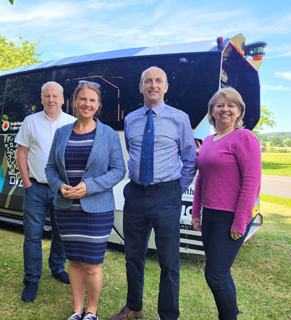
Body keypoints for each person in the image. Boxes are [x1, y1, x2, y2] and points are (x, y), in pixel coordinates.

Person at [110, 66, 197, 320]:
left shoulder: (179, 118)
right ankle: (134, 307)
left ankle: (168, 314)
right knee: (132, 255)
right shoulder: (131, 119)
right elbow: (132, 151)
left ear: (166, 87)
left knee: (169, 260)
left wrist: (174, 190)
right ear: (141, 87)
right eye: (148, 81)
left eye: (159, 81)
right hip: (136, 195)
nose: (153, 85)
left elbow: (190, 159)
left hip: (166, 194)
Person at [45, 81, 126, 320]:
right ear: (74, 102)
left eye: (92, 100)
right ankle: (77, 310)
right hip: (66, 208)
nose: (87, 104)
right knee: (74, 262)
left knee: (92, 264)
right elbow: (50, 168)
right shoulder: (61, 133)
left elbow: (118, 170)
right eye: (83, 99)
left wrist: (89, 187)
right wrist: (59, 186)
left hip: (97, 210)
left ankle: (92, 311)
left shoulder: (108, 134)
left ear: (98, 105)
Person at [191, 87, 261, 320]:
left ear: (239, 111)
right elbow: (201, 177)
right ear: (212, 111)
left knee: (215, 275)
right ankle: (232, 313)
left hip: (231, 217)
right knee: (221, 271)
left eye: (231, 105)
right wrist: (196, 212)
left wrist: (240, 222)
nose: (225, 109)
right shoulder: (210, 141)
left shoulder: (245, 137)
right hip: (210, 215)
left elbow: (252, 182)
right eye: (219, 105)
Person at [15, 81, 76, 302]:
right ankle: (31, 279)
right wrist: (26, 182)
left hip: (61, 189)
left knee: (61, 233)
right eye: (47, 96)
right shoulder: (30, 122)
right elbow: (22, 153)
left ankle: (57, 268)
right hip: (36, 188)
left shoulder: (72, 122)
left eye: (55, 96)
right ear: (41, 99)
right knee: (32, 236)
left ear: (62, 99)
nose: (51, 100)